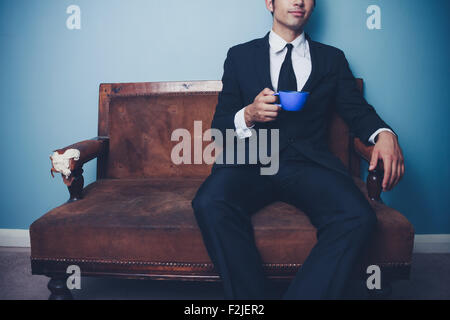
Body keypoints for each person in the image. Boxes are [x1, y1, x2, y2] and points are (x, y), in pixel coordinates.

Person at [191, 0, 405, 300]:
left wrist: (384, 134)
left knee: (359, 217)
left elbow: (357, 111)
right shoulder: (239, 56)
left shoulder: (332, 59)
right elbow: (219, 127)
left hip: (310, 164)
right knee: (209, 202)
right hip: (252, 160)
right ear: (270, 3)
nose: (299, 1)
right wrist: (249, 114)